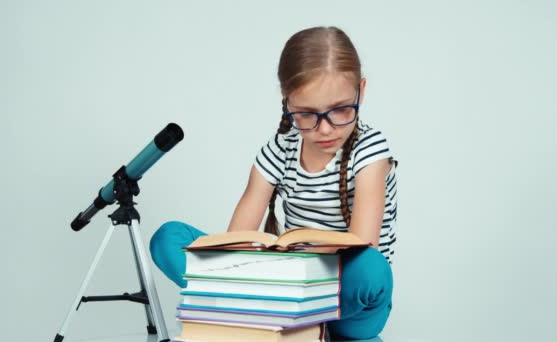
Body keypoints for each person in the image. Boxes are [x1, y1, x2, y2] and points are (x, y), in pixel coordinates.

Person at [150, 26, 398, 340]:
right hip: (288, 284)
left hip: (344, 296)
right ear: (287, 103)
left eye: (340, 109)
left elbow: (364, 241)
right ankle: (276, 314)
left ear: (361, 92)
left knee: (372, 269)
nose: (325, 129)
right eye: (307, 114)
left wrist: (302, 267)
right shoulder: (280, 149)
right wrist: (252, 266)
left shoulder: (371, 150)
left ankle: (272, 317)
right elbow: (236, 237)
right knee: (168, 237)